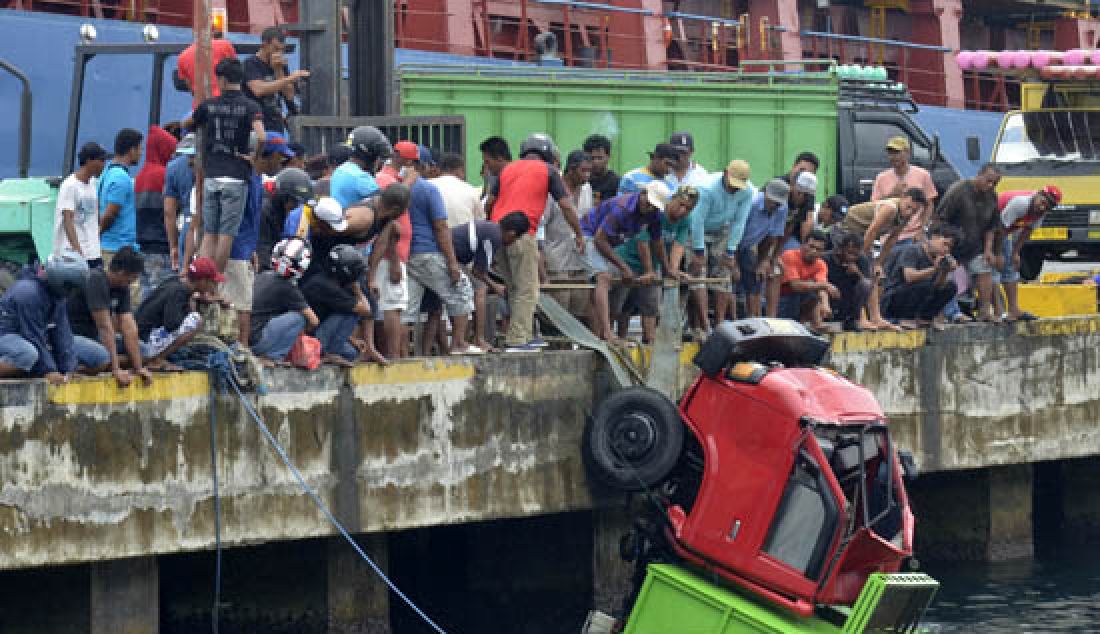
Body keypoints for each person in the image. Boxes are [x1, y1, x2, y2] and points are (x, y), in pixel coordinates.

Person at [484, 134, 583, 352]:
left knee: (513, 287)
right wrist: (579, 233)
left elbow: (489, 203)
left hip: (497, 233)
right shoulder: (549, 171)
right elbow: (566, 205)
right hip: (522, 233)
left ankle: (523, 333)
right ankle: (518, 340)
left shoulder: (506, 170)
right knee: (527, 289)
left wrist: (490, 230)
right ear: (547, 154)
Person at [397, 142, 480, 356]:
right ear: (422, 166)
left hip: (407, 254)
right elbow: (441, 227)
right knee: (461, 292)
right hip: (427, 251)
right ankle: (459, 344)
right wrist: (452, 263)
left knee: (408, 310)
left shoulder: (397, 188)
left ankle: (402, 354)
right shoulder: (428, 189)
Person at [186, 57, 265, 273]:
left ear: (221, 80)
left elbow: (190, 122)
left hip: (212, 176)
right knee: (226, 234)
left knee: (210, 232)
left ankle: (202, 277)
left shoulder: (209, 106)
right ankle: (216, 280)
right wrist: (254, 157)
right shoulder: (250, 106)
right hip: (237, 177)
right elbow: (262, 136)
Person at [581, 180, 673, 342]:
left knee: (618, 279)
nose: (649, 208)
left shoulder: (654, 215)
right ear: (643, 194)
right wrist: (623, 267)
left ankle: (601, 331)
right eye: (649, 203)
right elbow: (599, 240)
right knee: (603, 277)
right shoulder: (622, 208)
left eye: (654, 206)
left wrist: (668, 269)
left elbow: (657, 242)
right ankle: (607, 332)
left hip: (611, 242)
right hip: (590, 235)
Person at [225, 131, 294, 346]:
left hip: (245, 249)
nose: (282, 162)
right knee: (240, 303)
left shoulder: (256, 180)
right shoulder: (244, 179)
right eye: (280, 157)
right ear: (267, 155)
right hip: (234, 250)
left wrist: (251, 249)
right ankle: (241, 350)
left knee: (244, 301)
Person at [612, 185, 699, 342]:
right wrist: (649, 270)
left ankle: (649, 342)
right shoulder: (656, 211)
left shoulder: (686, 220)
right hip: (628, 259)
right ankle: (617, 340)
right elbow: (643, 241)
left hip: (655, 263)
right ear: (673, 199)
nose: (683, 211)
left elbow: (678, 245)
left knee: (651, 305)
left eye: (688, 208)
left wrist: (672, 270)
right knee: (620, 305)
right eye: (681, 205)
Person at [836, 188, 928, 330]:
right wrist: (863, 258)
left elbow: (892, 239)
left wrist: (879, 262)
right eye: (908, 207)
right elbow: (872, 231)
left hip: (861, 238)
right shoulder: (890, 208)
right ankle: (861, 318)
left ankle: (876, 317)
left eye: (914, 211)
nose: (909, 212)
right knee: (860, 274)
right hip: (846, 232)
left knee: (874, 275)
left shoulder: (906, 216)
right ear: (903, 198)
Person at [0, 251, 93, 383]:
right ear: (63, 283)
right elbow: (32, 336)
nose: (73, 292)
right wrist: (49, 371)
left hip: (30, 338)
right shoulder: (28, 292)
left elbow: (62, 334)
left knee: (97, 356)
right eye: (72, 287)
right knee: (27, 354)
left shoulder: (57, 296)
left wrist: (69, 370)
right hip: (6, 335)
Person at [66, 247, 154, 385]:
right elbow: (105, 328)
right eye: (132, 278)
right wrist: (116, 369)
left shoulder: (122, 287)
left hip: (94, 337)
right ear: (122, 273)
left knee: (146, 352)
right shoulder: (96, 280)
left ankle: (100, 364)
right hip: (72, 336)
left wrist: (139, 368)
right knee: (103, 358)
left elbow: (128, 327)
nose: (132, 283)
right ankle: (73, 368)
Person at [937, 164, 1003, 322]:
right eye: (988, 181)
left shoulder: (992, 196)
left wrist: (989, 250)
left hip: (974, 245)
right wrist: (945, 243)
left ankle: (984, 311)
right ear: (979, 175)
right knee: (946, 276)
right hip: (951, 242)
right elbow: (940, 220)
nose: (990, 186)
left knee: (983, 269)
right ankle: (946, 313)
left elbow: (992, 226)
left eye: (994, 183)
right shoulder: (958, 190)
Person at [540, 150, 595, 319]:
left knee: (578, 312)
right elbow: (541, 227)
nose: (587, 175)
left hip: (580, 259)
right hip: (556, 260)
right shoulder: (551, 191)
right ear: (570, 170)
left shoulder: (587, 189)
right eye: (583, 171)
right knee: (557, 312)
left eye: (589, 171)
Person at [135, 257, 222, 359]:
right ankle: (157, 360)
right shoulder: (179, 292)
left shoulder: (175, 281)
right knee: (196, 320)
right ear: (202, 281)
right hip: (145, 340)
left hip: (141, 333)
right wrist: (191, 309)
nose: (212, 287)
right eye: (212, 283)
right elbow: (172, 324)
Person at [300, 244, 374, 366]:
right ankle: (329, 353)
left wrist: (351, 339)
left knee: (352, 353)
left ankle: (328, 352)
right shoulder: (325, 286)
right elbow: (365, 310)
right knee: (353, 312)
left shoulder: (326, 279)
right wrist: (357, 290)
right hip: (307, 339)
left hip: (315, 334)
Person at [250, 237, 320, 365]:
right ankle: (274, 356)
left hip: (246, 337)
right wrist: (302, 333)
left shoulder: (263, 275)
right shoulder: (288, 287)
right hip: (257, 341)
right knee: (299, 318)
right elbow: (314, 321)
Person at [997, 186, 1059, 322]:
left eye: (1048, 207)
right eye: (1042, 202)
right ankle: (998, 312)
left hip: (1003, 233)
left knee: (1011, 270)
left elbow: (1027, 231)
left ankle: (1014, 310)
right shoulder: (1021, 203)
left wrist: (1015, 253)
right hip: (989, 229)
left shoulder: (1040, 213)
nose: (1043, 208)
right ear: (1037, 195)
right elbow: (999, 228)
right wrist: (997, 253)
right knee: (992, 271)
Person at [881, 224, 962, 329]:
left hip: (918, 295)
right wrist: (935, 269)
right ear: (934, 237)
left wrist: (944, 271)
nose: (946, 249)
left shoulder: (940, 258)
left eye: (950, 247)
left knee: (950, 286)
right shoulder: (913, 250)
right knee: (924, 285)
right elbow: (909, 277)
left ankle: (926, 318)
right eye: (945, 244)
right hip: (895, 297)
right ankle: (906, 318)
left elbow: (938, 286)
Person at [134, 125, 179, 301]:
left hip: (143, 244)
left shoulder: (141, 175)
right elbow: (170, 212)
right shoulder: (164, 174)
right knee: (160, 295)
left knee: (146, 294)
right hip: (161, 245)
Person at [736, 179, 790, 318]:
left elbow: (771, 237)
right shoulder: (752, 204)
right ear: (765, 193)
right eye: (773, 201)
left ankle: (755, 318)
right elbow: (734, 233)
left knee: (757, 278)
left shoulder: (782, 208)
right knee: (733, 279)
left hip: (748, 245)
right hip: (732, 243)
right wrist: (734, 263)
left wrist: (764, 260)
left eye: (778, 203)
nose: (775, 206)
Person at [872, 136, 938, 245]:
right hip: (888, 236)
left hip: (912, 236)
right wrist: (892, 194)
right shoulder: (881, 177)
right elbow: (874, 207)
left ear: (907, 153)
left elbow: (929, 205)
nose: (893, 156)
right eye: (890, 153)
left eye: (897, 152)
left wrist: (922, 230)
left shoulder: (923, 175)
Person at [242, 27, 308, 135]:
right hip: (256, 123)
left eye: (282, 50)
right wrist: (291, 78)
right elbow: (259, 90)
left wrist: (278, 70)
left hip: (275, 123)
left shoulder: (281, 65)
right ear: (264, 44)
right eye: (275, 49)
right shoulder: (250, 64)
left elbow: (289, 96)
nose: (279, 53)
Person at [54, 142, 107, 267]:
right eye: (101, 160)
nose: (104, 165)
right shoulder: (70, 186)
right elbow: (68, 220)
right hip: (74, 256)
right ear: (89, 161)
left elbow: (95, 215)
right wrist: (78, 253)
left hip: (94, 254)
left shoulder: (93, 184)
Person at [99, 128, 145, 267]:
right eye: (140, 149)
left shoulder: (106, 172)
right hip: (119, 250)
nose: (141, 153)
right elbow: (111, 214)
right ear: (131, 150)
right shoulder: (121, 178)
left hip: (111, 247)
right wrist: (97, 233)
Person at [777, 230, 836, 331]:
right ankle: (798, 323)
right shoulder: (790, 255)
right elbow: (795, 286)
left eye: (818, 249)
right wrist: (825, 286)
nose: (814, 251)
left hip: (799, 302)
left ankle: (816, 323)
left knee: (814, 293)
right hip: (782, 300)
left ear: (822, 252)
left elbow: (821, 286)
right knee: (810, 288)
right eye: (811, 246)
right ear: (803, 245)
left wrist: (826, 304)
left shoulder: (821, 264)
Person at [258, 167, 314, 273]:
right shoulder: (264, 212)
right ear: (283, 197)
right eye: (295, 202)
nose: (297, 207)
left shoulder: (284, 213)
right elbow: (263, 255)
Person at [330, 126, 392, 209]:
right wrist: (407, 182)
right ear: (370, 156)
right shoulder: (360, 177)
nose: (379, 163)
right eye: (378, 157)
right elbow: (385, 208)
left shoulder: (340, 170)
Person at [824, 231, 874, 331]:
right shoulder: (827, 258)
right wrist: (827, 286)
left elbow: (868, 284)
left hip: (848, 298)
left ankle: (852, 319)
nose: (852, 257)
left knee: (866, 284)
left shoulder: (862, 260)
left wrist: (858, 273)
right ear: (841, 249)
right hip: (828, 297)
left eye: (855, 254)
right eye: (849, 253)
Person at [176, 25, 237, 104]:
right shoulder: (225, 44)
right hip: (227, 103)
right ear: (212, 32)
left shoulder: (182, 56)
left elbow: (190, 87)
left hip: (201, 105)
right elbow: (236, 71)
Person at [164, 133, 197, 271]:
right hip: (208, 232)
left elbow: (169, 212)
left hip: (186, 228)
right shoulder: (214, 162)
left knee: (186, 279)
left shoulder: (173, 167)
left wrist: (174, 246)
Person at [430, 152, 484, 228]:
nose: (463, 175)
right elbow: (480, 221)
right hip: (464, 237)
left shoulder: (427, 186)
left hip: (433, 237)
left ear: (440, 170)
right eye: (463, 171)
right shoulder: (470, 190)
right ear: (458, 170)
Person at [583, 134, 619, 205]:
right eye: (592, 158)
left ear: (608, 157)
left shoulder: (616, 182)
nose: (595, 162)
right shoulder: (581, 181)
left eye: (600, 158)